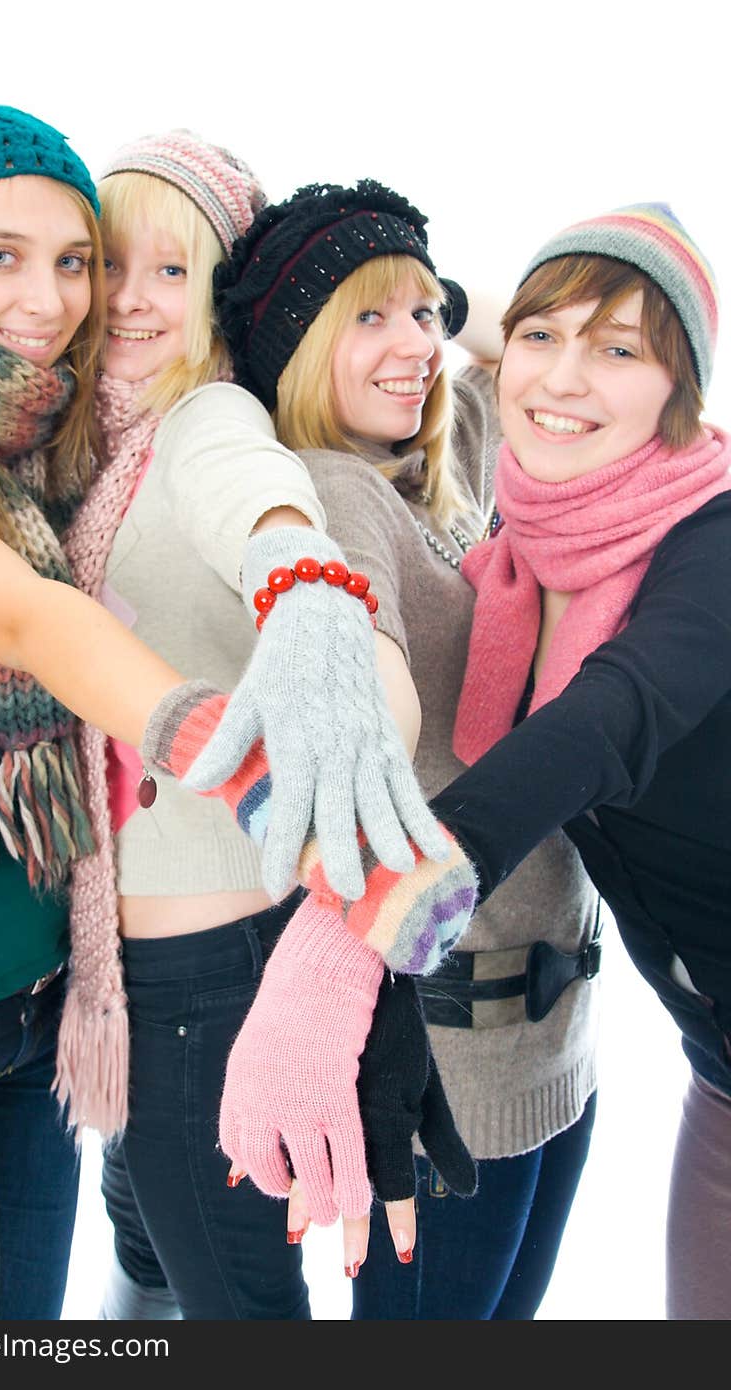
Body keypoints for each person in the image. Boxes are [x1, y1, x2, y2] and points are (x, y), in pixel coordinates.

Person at [0, 109, 439, 1321]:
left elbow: (250, 479)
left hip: (41, 1000)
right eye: (6, 256)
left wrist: (306, 576)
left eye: (79, 259)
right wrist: (235, 761)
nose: (69, 297)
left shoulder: (101, 426)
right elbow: (19, 619)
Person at [228, 201, 731, 1321]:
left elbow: (604, 723)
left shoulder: (709, 540)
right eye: (541, 337)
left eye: (619, 351)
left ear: (683, 390)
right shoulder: (540, 530)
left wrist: (341, 940)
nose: (558, 377)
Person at [205, 179, 601, 1318]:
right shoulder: (335, 493)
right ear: (297, 347)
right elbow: (363, 659)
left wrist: (425, 298)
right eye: (367, 318)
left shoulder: (447, 453)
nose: (416, 344)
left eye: (422, 313)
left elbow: (526, 344)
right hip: (454, 1059)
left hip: (557, 1024)